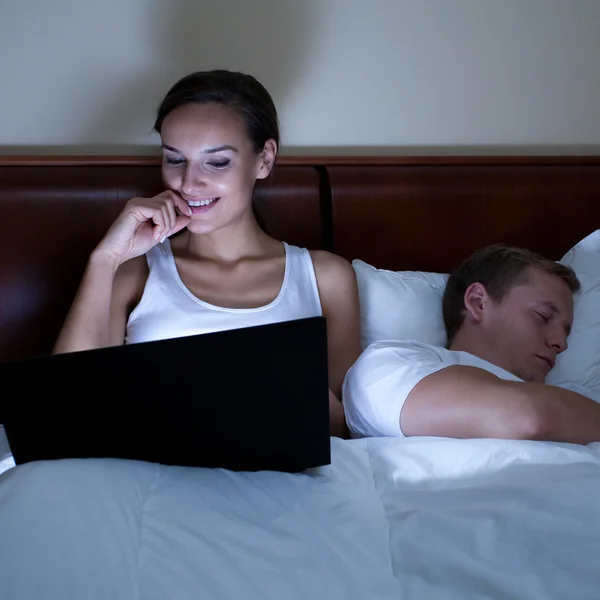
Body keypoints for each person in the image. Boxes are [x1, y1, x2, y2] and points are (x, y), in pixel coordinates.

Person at [53, 69, 361, 437]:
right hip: (153, 470)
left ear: (264, 159)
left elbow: (348, 428)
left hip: (275, 475)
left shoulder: (327, 277)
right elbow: (66, 403)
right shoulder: (135, 272)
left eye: (216, 162)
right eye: (174, 159)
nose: (188, 182)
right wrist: (104, 259)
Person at [343, 244, 600, 444]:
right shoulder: (391, 365)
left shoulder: (581, 399)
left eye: (566, 332)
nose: (561, 343)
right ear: (478, 302)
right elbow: (528, 417)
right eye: (543, 316)